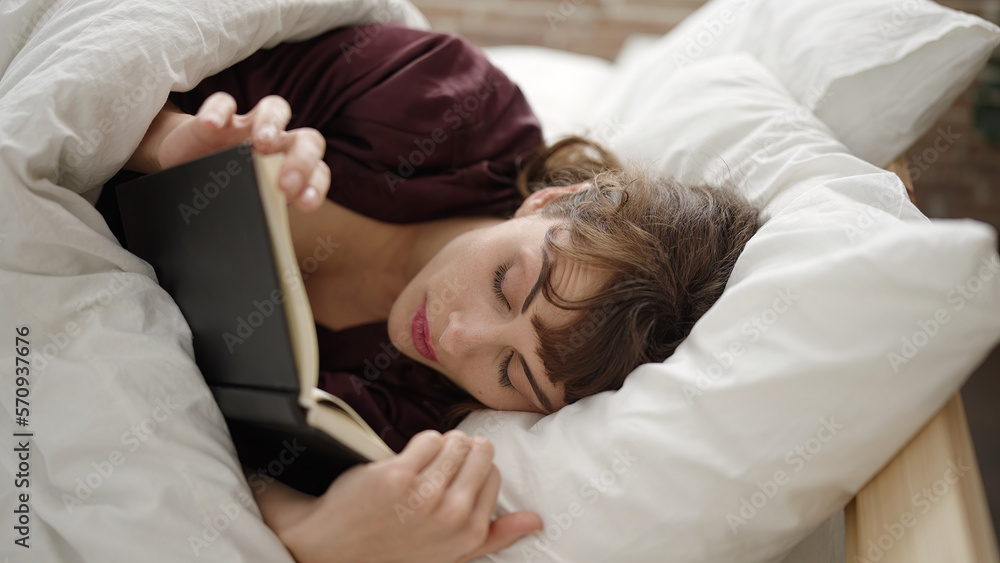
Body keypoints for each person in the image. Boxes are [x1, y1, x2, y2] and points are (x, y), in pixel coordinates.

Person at [121, 24, 761, 563]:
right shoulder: (441, 107)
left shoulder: (404, 420)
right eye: (505, 284)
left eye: (512, 372)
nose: (458, 339)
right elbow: (110, 70)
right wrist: (170, 143)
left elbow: (195, 462)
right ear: (557, 199)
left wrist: (309, 536)